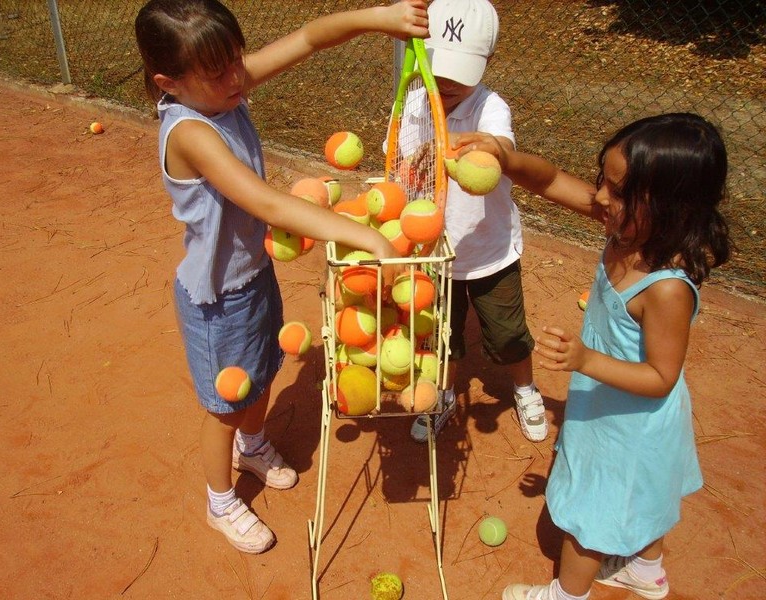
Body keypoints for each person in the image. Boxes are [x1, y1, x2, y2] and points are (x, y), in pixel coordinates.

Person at [134, 0, 428, 554]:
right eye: (218, 69)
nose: (235, 76)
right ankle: (220, 500)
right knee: (225, 404)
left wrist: (379, 17)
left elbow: (310, 37)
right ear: (169, 83)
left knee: (264, 373)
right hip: (216, 299)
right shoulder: (190, 133)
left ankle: (253, 443)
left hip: (253, 277)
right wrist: (364, 234)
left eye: (236, 59)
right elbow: (267, 203)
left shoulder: (226, 88)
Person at [454, 113, 731, 600]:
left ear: (671, 207)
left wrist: (585, 361)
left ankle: (565, 595)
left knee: (591, 514)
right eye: (604, 179)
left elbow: (663, 376)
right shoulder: (628, 226)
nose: (601, 196)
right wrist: (506, 158)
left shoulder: (666, 288)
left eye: (618, 189)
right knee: (638, 497)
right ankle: (647, 572)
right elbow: (551, 180)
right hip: (614, 404)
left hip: (631, 422)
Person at [408, 0, 548, 443]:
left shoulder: (491, 108)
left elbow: (498, 150)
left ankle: (525, 387)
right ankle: (445, 393)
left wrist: (487, 150)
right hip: (435, 252)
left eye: (460, 68)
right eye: (438, 66)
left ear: (486, 62)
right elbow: (406, 166)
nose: (446, 80)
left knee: (508, 336)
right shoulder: (416, 103)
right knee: (442, 336)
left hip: (490, 251)